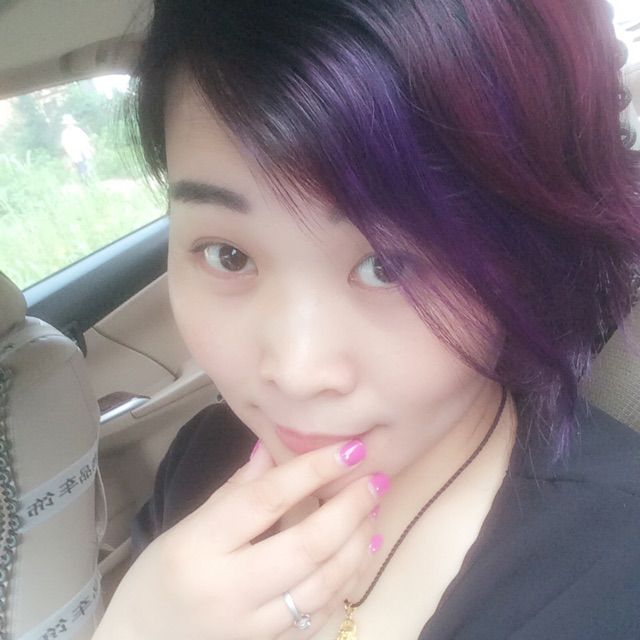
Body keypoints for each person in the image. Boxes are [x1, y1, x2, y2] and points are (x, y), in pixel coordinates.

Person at [93, 1, 640, 638]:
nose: (296, 373)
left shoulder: (617, 567)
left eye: (388, 266)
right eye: (228, 255)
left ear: (523, 254)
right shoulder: (201, 463)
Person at [60, 113, 93, 181]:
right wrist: (70, 155)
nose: (69, 124)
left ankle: (90, 179)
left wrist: (90, 148)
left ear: (72, 123)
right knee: (80, 168)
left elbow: (86, 140)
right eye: (67, 123)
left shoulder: (78, 130)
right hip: (75, 154)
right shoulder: (65, 133)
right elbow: (65, 145)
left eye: (70, 123)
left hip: (84, 151)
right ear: (65, 124)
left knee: (88, 166)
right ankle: (84, 181)